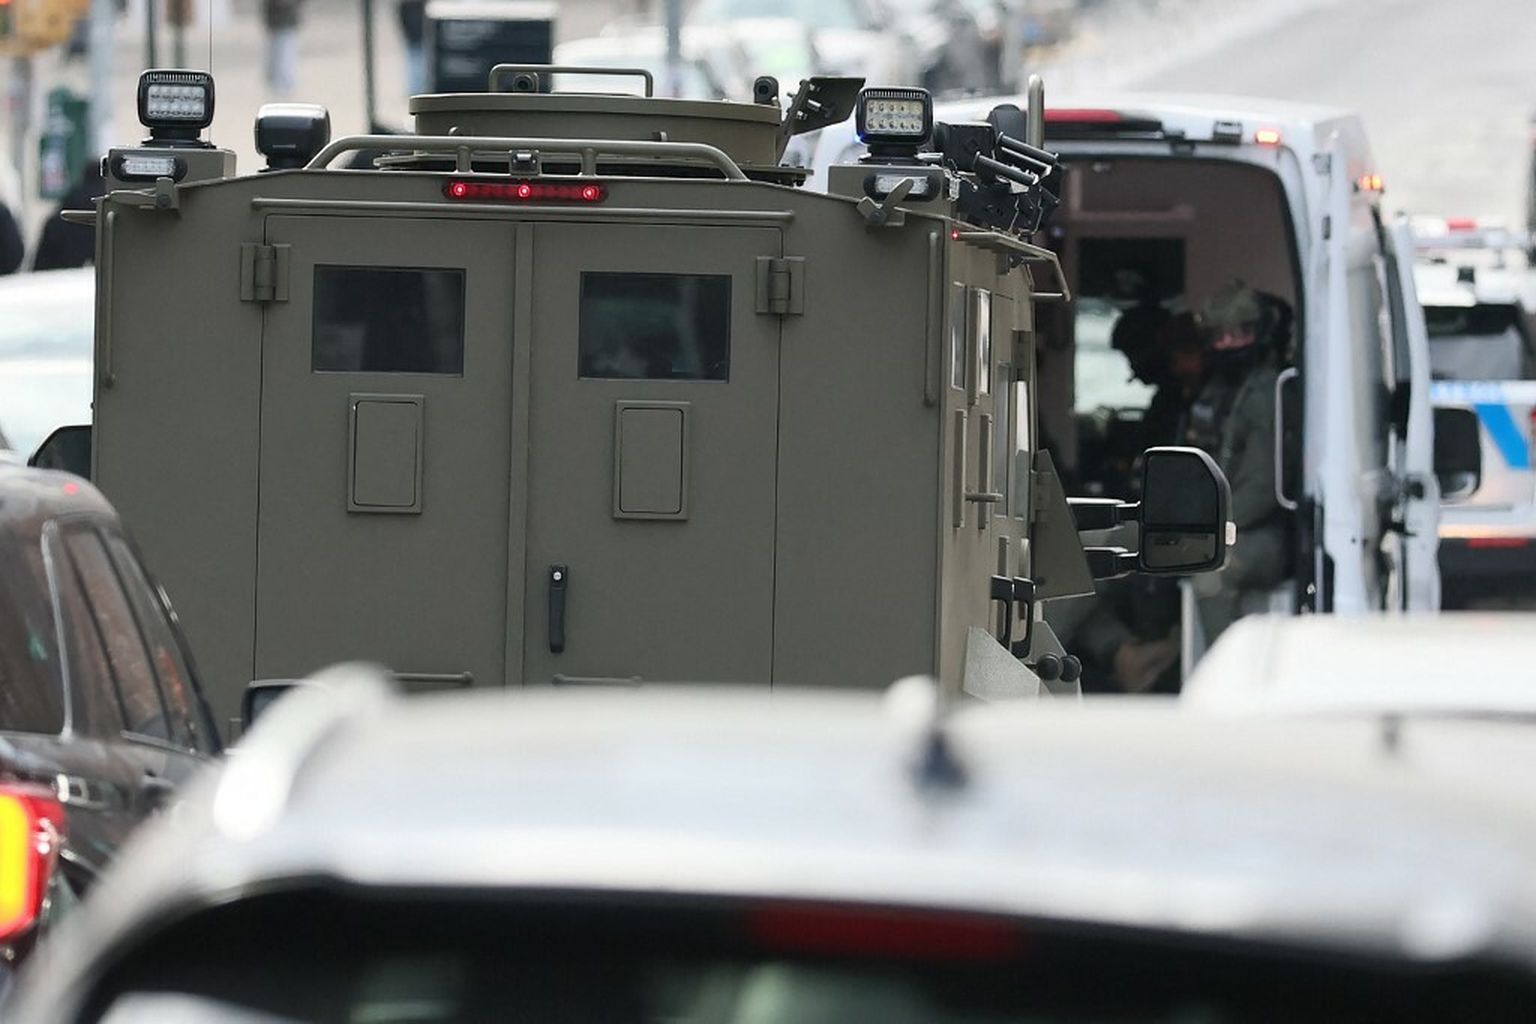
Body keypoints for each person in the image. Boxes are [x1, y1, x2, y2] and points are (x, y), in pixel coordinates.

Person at [1185, 281, 1294, 643]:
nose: (1229, 344)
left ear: (1258, 333)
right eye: (1220, 336)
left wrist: (1208, 528)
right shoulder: (1216, 390)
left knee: (1212, 573)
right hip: (1218, 524)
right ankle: (1129, 654)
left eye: (1240, 334)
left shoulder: (1267, 392)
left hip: (1262, 532)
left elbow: (1263, 488)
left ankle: (1223, 671)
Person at [263, 0, 303, 97]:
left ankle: (284, 84)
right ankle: (278, 83)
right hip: (276, 19)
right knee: (277, 54)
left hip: (287, 19)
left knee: (285, 53)